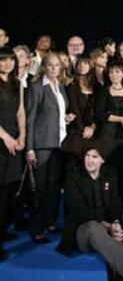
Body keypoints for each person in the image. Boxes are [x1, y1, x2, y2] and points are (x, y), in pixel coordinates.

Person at [57, 142, 123, 281]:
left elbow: (115, 203)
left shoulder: (109, 173)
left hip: (108, 228)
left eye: (94, 157)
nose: (90, 160)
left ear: (102, 159)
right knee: (93, 227)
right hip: (85, 231)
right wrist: (108, 227)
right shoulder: (73, 177)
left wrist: (116, 222)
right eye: (87, 156)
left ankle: (120, 268)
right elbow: (80, 212)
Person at [25, 52, 74, 243]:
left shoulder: (60, 86)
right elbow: (30, 119)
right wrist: (29, 148)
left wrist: (66, 118)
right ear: (44, 67)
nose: (54, 68)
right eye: (50, 65)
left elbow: (55, 114)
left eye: (57, 65)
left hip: (59, 143)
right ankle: (36, 228)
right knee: (40, 188)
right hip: (41, 145)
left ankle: (50, 221)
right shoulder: (37, 87)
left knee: (53, 187)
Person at [0, 48, 25, 262]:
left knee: (8, 189)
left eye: (10, 60)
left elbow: (20, 111)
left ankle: (2, 229)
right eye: (3, 60)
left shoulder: (17, 84)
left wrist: (23, 134)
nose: (7, 63)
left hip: (14, 141)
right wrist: (6, 137)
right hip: (1, 141)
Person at [95, 61, 123, 199]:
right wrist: (122, 119)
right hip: (108, 134)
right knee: (109, 168)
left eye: (117, 72)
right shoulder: (104, 91)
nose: (114, 75)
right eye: (111, 72)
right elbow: (99, 114)